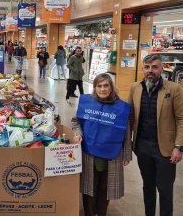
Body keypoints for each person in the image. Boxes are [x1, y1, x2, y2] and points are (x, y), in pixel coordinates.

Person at [128, 54, 183, 216]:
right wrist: (127, 143)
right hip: (142, 146)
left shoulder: (174, 89)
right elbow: (130, 117)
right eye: (147, 67)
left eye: (154, 67)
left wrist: (178, 147)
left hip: (165, 149)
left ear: (161, 68)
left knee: (165, 190)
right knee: (148, 186)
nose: (150, 71)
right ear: (143, 68)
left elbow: (181, 119)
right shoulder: (135, 88)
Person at [72, 73, 132, 216]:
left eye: (106, 85)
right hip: (89, 152)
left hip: (113, 154)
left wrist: (127, 153)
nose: (103, 89)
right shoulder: (87, 103)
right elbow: (75, 122)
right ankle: (89, 213)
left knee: (106, 187)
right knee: (89, 186)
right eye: (99, 86)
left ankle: (101, 212)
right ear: (94, 88)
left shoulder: (121, 108)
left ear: (111, 87)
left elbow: (126, 131)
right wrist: (78, 133)